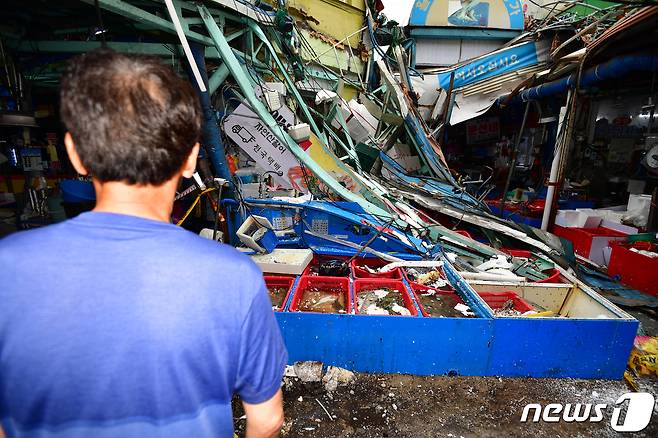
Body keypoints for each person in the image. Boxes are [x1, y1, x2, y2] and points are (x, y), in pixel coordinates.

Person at [0, 49, 287, 437]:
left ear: (75, 154)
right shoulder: (235, 277)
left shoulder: (8, 267)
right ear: (191, 160)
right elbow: (266, 421)